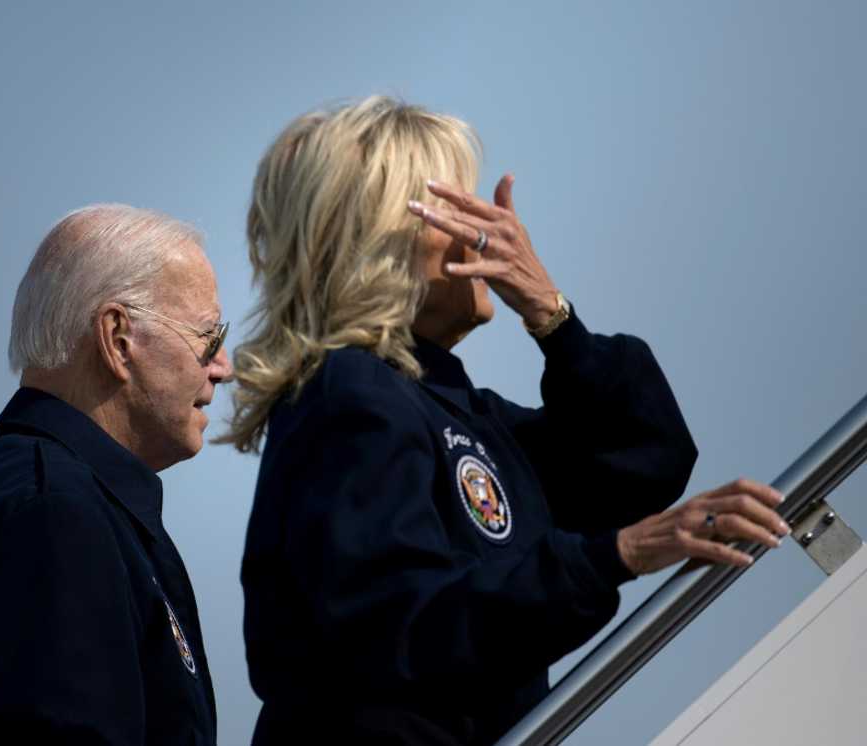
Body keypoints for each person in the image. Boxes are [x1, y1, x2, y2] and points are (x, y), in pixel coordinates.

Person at [222, 97, 789, 745]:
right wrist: (618, 555)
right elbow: (400, 625)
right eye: (461, 209)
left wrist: (552, 314)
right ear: (383, 234)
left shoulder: (458, 411)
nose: (487, 230)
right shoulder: (349, 394)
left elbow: (644, 459)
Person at [0, 204, 232, 745]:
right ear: (118, 339)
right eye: (209, 338)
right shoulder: (52, 515)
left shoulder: (70, 501)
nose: (223, 366)